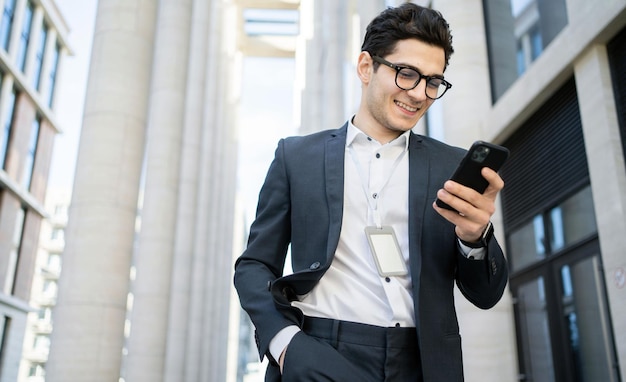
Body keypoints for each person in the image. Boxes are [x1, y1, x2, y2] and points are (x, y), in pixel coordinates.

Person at [234, 3, 508, 381]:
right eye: (407, 74)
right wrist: (285, 344)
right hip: (320, 349)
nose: (419, 94)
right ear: (367, 67)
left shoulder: (450, 167)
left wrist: (475, 238)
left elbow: (486, 295)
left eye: (433, 81)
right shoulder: (296, 157)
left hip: (422, 362)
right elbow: (254, 265)